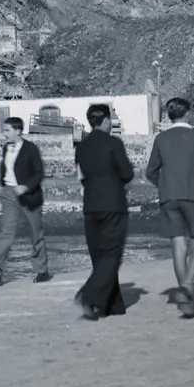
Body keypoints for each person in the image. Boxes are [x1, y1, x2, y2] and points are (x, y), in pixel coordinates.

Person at [146, 97, 194, 319]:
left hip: (170, 197)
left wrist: (165, 187)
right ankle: (187, 286)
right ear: (188, 114)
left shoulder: (161, 138)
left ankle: (187, 302)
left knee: (178, 246)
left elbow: (150, 172)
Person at [73, 103, 132, 320]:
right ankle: (88, 295)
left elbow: (81, 176)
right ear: (106, 121)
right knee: (112, 254)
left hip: (90, 206)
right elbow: (127, 174)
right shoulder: (113, 143)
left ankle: (113, 304)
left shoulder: (81, 147)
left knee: (99, 255)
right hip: (113, 205)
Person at [0, 117, 50, 286]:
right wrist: (4, 186)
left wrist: (26, 187)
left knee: (36, 233)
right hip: (9, 194)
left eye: (7, 130)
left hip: (29, 196)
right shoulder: (6, 148)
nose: (4, 133)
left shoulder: (31, 149)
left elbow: (38, 173)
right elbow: (5, 168)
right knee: (7, 232)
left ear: (18, 131)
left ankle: (42, 271)